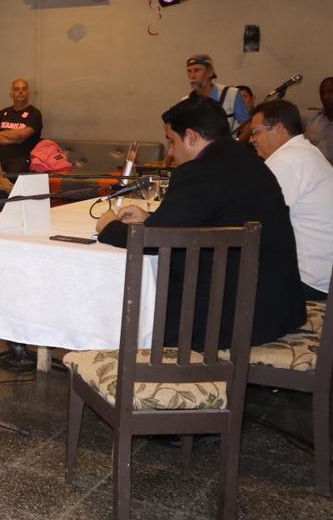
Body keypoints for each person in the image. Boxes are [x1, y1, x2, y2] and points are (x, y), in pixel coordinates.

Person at [96, 95, 305, 348]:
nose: (171, 152)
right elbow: (207, 218)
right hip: (274, 310)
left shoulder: (199, 171)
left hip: (231, 322)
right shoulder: (247, 160)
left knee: (128, 305)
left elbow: (153, 240)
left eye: (172, 141)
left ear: (192, 136)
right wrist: (149, 218)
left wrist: (109, 227)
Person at [247, 100, 333, 299]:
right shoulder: (304, 153)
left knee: (224, 281)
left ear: (278, 129)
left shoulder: (287, 160)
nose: (252, 139)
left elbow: (256, 219)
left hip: (314, 280)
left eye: (256, 132)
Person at [0, 78, 42, 177]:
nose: (21, 92)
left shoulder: (34, 113)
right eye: (17, 89)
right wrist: (14, 138)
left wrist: (1, 134)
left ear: (28, 92)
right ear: (11, 93)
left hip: (20, 158)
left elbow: (22, 135)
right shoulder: (2, 113)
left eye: (24, 89)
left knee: (11, 181)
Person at [184, 54, 249, 132]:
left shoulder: (231, 94)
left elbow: (247, 125)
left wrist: (236, 143)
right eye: (189, 71)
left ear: (210, 72)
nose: (192, 76)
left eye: (197, 70)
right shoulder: (186, 102)